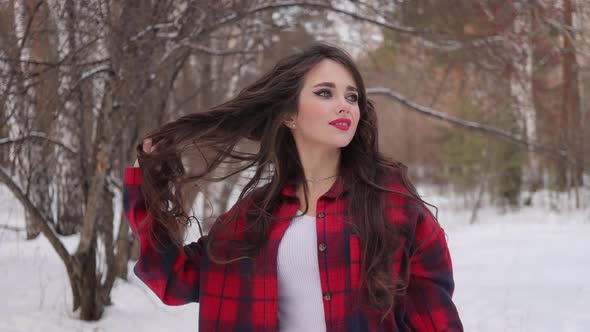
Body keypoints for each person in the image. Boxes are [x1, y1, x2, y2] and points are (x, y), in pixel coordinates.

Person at [124, 42, 463, 331]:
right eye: (325, 93)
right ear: (289, 115)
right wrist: (146, 184)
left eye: (352, 96)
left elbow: (434, 315)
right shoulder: (254, 217)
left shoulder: (392, 202)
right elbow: (174, 279)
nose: (345, 104)